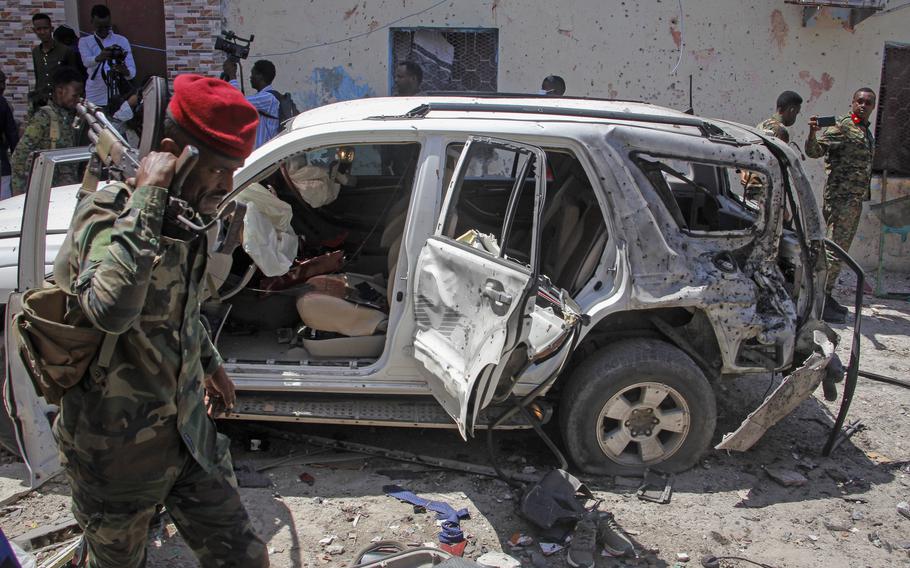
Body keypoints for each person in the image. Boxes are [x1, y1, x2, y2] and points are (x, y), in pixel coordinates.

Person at [52, 73, 269, 568]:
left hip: (188, 441)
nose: (225, 185)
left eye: (232, 171)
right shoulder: (109, 215)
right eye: (216, 169)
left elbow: (181, 309)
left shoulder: (186, 221)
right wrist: (148, 197)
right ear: (171, 153)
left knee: (245, 559)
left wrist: (211, 365)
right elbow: (112, 309)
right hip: (115, 459)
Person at [805, 87, 877, 323]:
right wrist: (812, 133)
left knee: (840, 249)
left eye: (868, 103)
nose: (863, 106)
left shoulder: (864, 131)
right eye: (860, 101)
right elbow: (814, 151)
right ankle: (818, 300)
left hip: (853, 200)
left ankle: (826, 294)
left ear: (873, 107)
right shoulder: (843, 127)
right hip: (840, 199)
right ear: (852, 102)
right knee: (834, 250)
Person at [10, 66, 83, 196]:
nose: (78, 99)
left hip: (64, 191)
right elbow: (19, 157)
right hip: (47, 193)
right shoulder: (43, 118)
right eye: (75, 95)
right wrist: (20, 196)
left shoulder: (69, 117)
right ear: (60, 91)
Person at [741, 90, 803, 201]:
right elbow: (777, 167)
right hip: (766, 190)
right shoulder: (780, 131)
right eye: (796, 113)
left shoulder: (762, 125)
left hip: (752, 185)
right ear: (791, 110)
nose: (795, 117)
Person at [78, 4, 136, 110]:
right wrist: (100, 57)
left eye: (107, 26)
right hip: (95, 95)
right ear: (92, 22)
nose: (104, 30)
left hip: (118, 95)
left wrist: (124, 70)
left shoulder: (121, 41)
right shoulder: (85, 42)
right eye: (100, 27)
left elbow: (132, 72)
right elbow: (86, 62)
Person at [29, 13, 81, 115]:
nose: (43, 32)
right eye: (39, 29)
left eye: (45, 28)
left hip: (62, 104)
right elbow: (38, 77)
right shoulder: (35, 52)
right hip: (42, 104)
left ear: (51, 28)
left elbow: (74, 79)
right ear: (34, 31)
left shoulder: (65, 51)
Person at [222, 59, 279, 148]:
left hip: (264, 154)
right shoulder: (263, 97)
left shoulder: (267, 98)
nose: (251, 77)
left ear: (260, 76)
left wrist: (232, 76)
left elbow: (236, 101)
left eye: (253, 74)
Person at [0, 70, 19, 199]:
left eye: (3, 83)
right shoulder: (2, 103)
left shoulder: (3, 103)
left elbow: (12, 133)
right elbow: (11, 133)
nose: (2, 87)